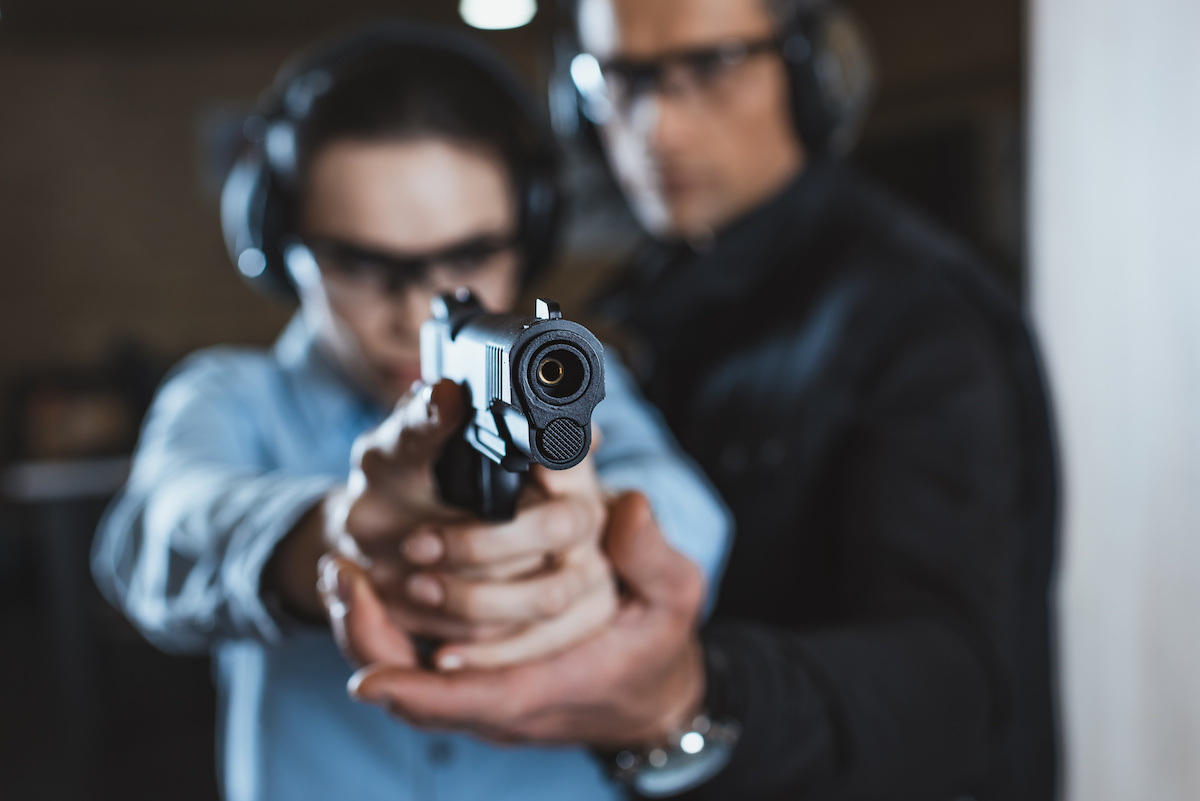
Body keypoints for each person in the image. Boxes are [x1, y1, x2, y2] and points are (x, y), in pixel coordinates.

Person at [345, 1, 1059, 799]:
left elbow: (957, 689)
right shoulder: (649, 306)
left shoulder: (921, 318)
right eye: (621, 79)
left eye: (713, 65)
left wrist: (685, 694)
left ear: (812, 75)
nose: (657, 128)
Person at [91, 23, 730, 801]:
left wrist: (580, 553)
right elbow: (154, 538)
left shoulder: (566, 379)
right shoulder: (229, 393)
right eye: (362, 263)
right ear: (279, 249)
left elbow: (691, 518)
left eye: (468, 256)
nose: (415, 314)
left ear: (526, 240)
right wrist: (330, 536)